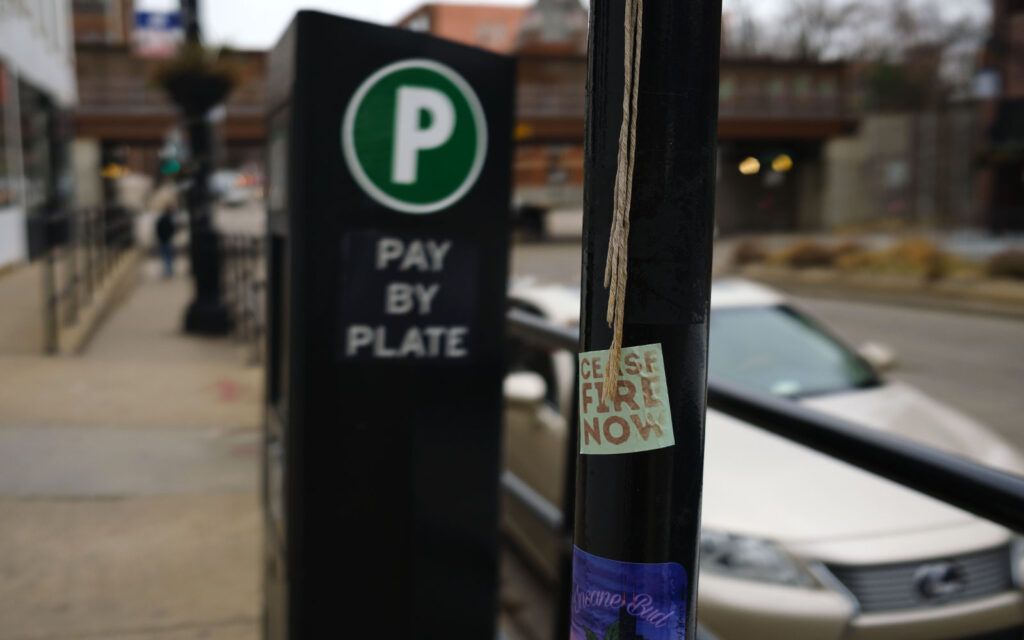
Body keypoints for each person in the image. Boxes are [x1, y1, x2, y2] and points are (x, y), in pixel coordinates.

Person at [155, 208, 176, 277]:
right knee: (169, 256)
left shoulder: (161, 221)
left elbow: (157, 230)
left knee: (165, 257)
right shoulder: (168, 220)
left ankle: (167, 270)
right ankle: (169, 270)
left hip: (162, 240)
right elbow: (172, 229)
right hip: (167, 240)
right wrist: (170, 235)